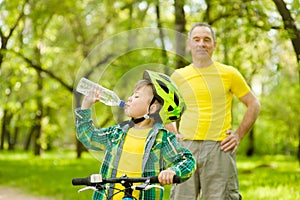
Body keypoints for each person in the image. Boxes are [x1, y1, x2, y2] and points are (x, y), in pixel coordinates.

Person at [170, 22, 261, 200]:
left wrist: (238, 135)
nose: (201, 44)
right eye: (196, 39)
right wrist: (173, 133)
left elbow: (254, 104)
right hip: (186, 147)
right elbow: (164, 109)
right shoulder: (178, 76)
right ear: (189, 44)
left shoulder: (229, 73)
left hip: (219, 147)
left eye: (206, 40)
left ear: (214, 45)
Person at [75, 70, 196, 200]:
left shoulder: (162, 139)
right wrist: (86, 106)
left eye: (136, 96)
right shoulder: (117, 133)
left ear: (152, 109)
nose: (129, 98)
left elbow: (187, 160)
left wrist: (173, 171)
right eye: (132, 95)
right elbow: (88, 136)